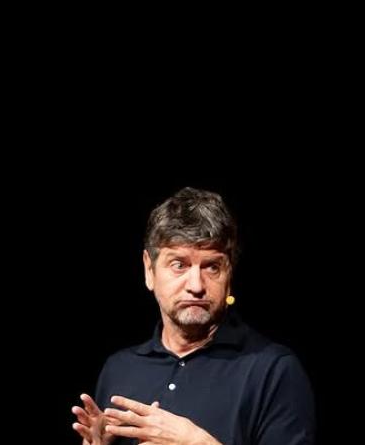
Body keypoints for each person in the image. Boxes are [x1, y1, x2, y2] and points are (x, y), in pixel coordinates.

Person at [71, 187, 316, 445]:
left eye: (212, 267)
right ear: (149, 270)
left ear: (229, 275)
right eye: (179, 265)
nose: (196, 286)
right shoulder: (119, 368)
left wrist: (198, 443)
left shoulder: (274, 370)